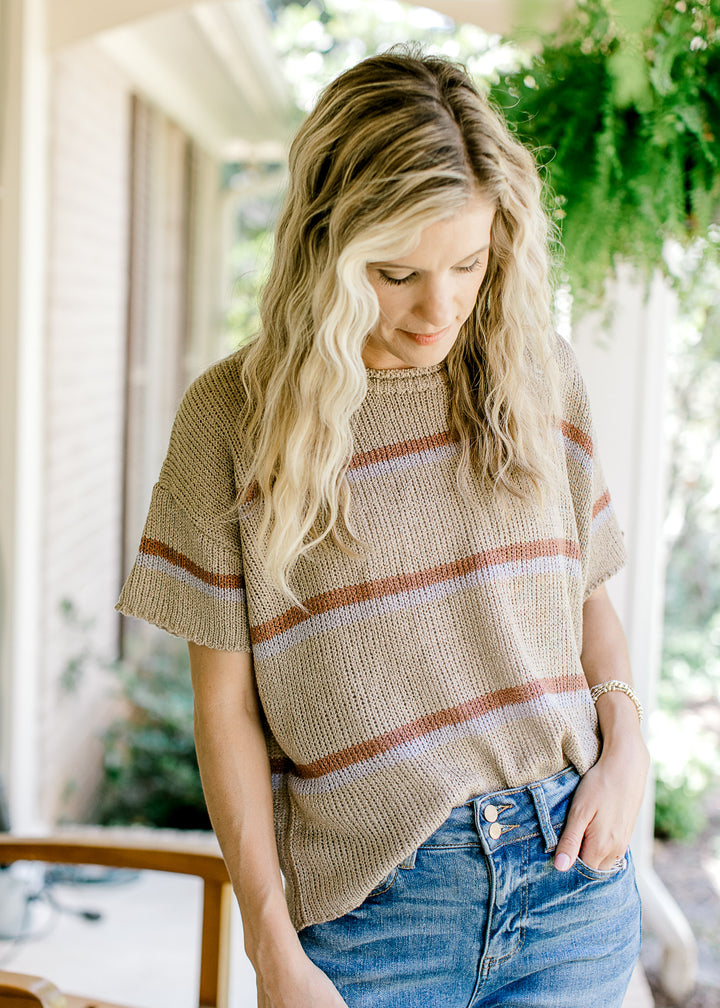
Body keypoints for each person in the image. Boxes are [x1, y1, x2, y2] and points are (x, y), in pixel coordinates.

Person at [117, 49, 649, 1008]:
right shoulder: (233, 419)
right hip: (373, 914)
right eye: (397, 271)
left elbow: (588, 606)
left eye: (469, 264)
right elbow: (225, 712)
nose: (437, 309)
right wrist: (271, 943)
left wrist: (629, 747)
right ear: (327, 242)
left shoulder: (542, 378)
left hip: (571, 881)